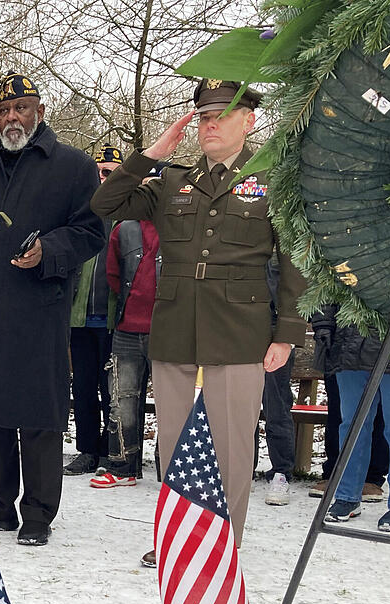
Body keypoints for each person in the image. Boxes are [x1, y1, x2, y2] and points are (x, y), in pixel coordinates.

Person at [92, 79, 308, 567]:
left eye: (221, 116)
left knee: (232, 440)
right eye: (203, 116)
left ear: (248, 121)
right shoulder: (172, 179)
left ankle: (223, 540)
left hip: (240, 328)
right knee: (172, 439)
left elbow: (295, 261)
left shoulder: (274, 179)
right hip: (174, 325)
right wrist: (153, 153)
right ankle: (178, 538)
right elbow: (105, 204)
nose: (209, 124)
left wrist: (287, 333)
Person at [0, 72, 106, 546]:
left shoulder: (73, 166)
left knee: (37, 416)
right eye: (5, 110)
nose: (12, 117)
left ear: (39, 112)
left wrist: (48, 250)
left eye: (22, 108)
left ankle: (38, 513)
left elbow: (92, 230)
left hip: (37, 309)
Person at [312, 305, 390, 531]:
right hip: (350, 343)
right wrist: (322, 321)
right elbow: (325, 278)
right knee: (351, 423)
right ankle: (346, 496)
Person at [90, 161, 167, 489]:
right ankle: (123, 467)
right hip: (127, 329)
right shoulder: (124, 228)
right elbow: (113, 276)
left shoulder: (178, 228)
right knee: (121, 398)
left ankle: (171, 473)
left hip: (170, 331)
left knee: (171, 403)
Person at [65, 144, 122, 476]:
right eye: (101, 171)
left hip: (116, 320)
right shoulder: (81, 214)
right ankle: (87, 450)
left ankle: (112, 451)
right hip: (80, 318)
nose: (105, 178)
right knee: (83, 386)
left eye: (112, 172)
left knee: (112, 389)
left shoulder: (131, 214)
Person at [311, 374, 389, 501]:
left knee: (379, 410)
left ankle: (372, 478)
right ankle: (334, 474)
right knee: (339, 408)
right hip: (342, 359)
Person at [258, 257, 296, 505]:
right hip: (235, 330)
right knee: (236, 407)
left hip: (273, 334)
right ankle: (237, 468)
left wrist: (286, 337)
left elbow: (293, 291)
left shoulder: (281, 247)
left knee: (276, 406)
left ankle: (281, 472)